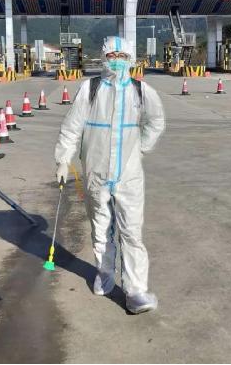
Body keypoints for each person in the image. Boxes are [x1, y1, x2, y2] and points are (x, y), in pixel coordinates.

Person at [54, 36, 165, 314]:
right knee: (101, 229)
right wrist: (63, 159)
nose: (117, 61)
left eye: (122, 56)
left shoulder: (141, 91)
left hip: (129, 175)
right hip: (96, 172)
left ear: (130, 59)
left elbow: (156, 122)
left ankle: (136, 291)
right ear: (104, 57)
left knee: (132, 232)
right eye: (112, 56)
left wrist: (141, 148)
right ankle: (104, 277)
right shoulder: (90, 89)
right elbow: (72, 127)